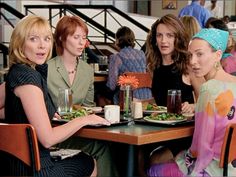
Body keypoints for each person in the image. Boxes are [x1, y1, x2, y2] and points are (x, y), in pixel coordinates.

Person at [1, 15, 111, 176]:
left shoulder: (17, 73)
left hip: (15, 164)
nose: (42, 46)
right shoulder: (29, 78)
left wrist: (28, 114)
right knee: (88, 162)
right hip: (37, 168)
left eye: (46, 39)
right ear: (20, 42)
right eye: (33, 39)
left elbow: (13, 106)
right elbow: (47, 139)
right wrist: (85, 119)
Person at [147, 28, 236, 177]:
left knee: (154, 170)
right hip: (231, 167)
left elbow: (201, 148)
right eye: (190, 55)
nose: (193, 61)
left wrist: (182, 159)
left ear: (218, 55)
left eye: (199, 54)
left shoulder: (208, 89)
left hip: (212, 169)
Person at [47, 15, 118, 177]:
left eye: (84, 38)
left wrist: (91, 110)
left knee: (113, 145)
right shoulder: (47, 68)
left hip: (80, 131)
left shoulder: (87, 70)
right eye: (76, 37)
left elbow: (87, 106)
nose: (82, 43)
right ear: (61, 38)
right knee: (101, 148)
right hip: (54, 133)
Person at [146, 14, 204, 113]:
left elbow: (207, 102)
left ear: (178, 39)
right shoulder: (155, 66)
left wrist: (192, 107)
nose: (163, 41)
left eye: (170, 35)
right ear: (155, 40)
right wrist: (140, 102)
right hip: (160, 125)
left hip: (185, 126)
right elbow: (161, 101)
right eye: (159, 35)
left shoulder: (189, 66)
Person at [106, 26, 152, 104]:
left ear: (117, 40)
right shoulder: (142, 54)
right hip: (147, 97)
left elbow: (112, 85)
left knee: (100, 94)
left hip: (128, 98)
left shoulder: (116, 58)